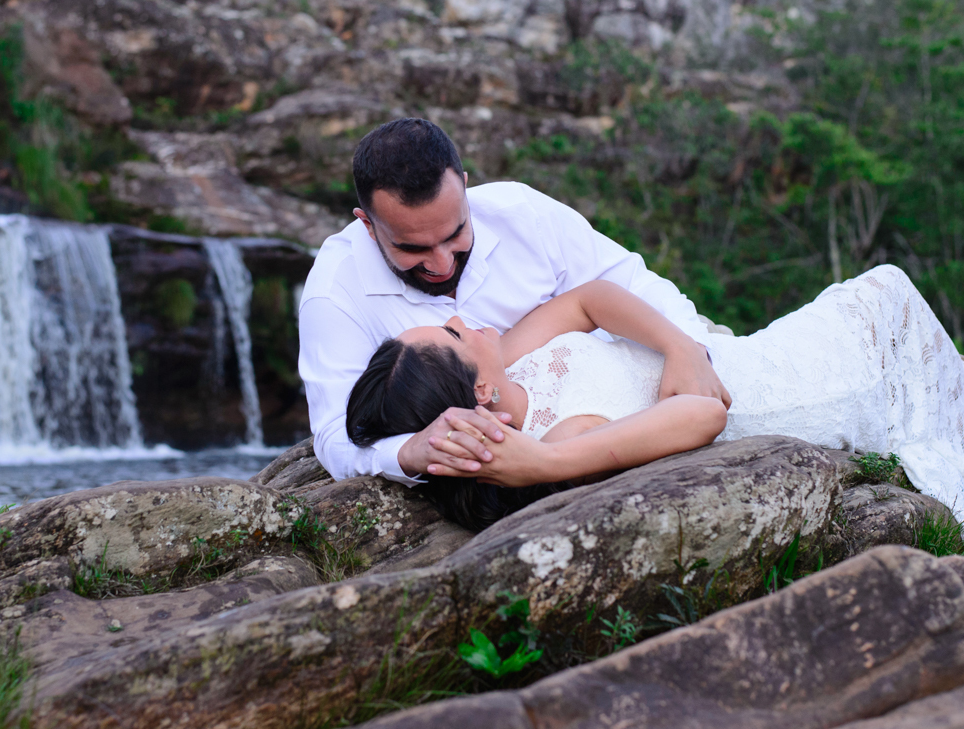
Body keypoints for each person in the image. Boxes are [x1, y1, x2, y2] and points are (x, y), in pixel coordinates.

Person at [346, 266, 964, 530]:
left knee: (884, 290)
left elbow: (589, 297)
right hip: (797, 392)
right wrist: (543, 464)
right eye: (453, 333)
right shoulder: (563, 439)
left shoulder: (510, 355)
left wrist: (678, 346)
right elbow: (704, 414)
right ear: (480, 394)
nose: (461, 317)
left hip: (737, 353)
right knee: (886, 310)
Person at [298, 118, 729, 487]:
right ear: (368, 226)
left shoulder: (522, 212)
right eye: (413, 248)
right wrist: (413, 451)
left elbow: (627, 283)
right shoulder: (335, 293)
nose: (441, 263)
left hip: (664, 348)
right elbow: (338, 434)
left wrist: (687, 347)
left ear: (465, 191)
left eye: (454, 234)